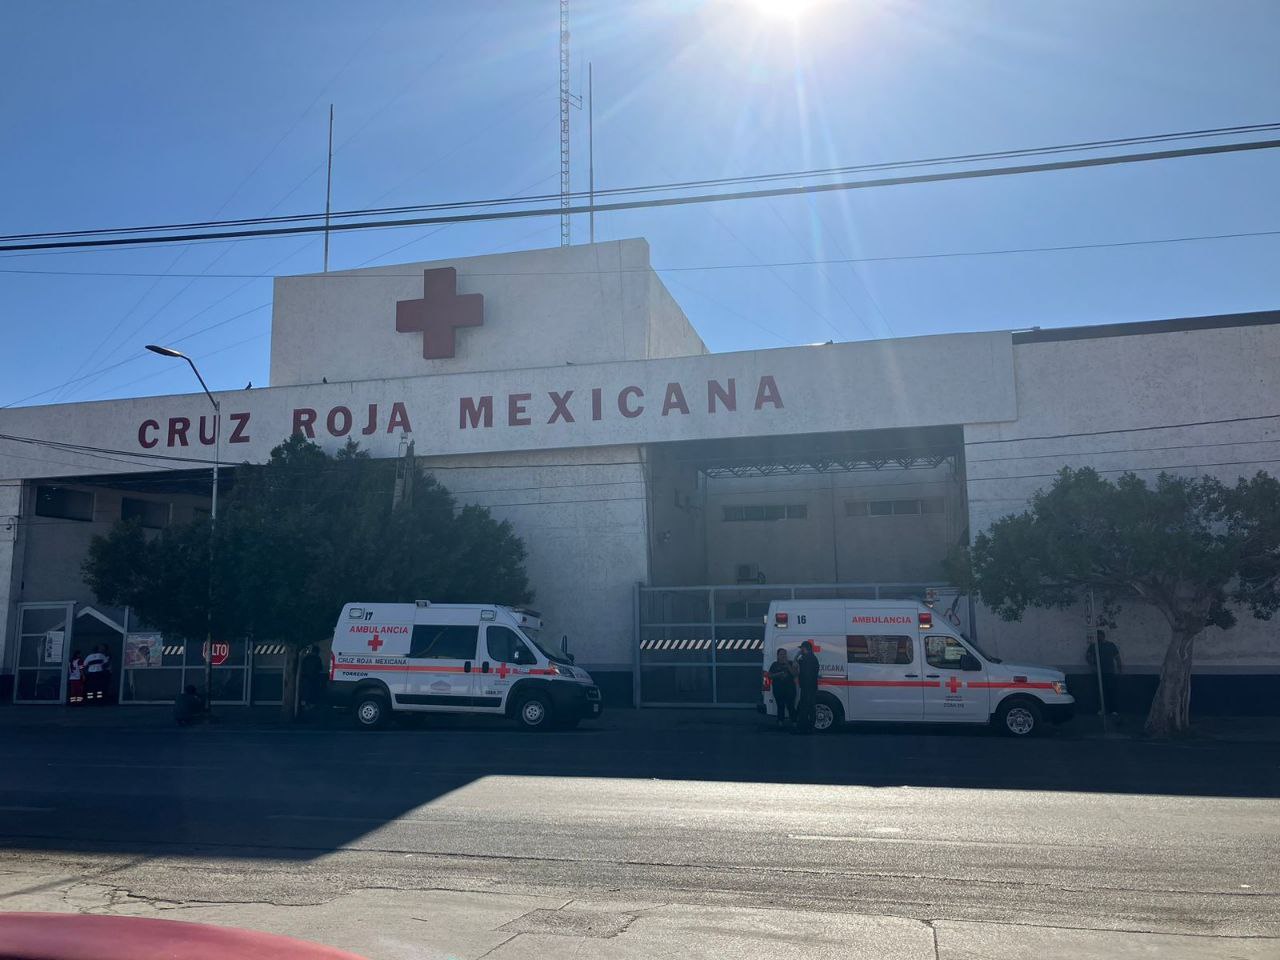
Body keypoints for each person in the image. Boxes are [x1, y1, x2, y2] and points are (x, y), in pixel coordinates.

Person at [1085, 630, 1123, 715]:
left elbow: (1117, 657)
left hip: (1109, 672)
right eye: (1097, 636)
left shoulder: (1110, 645)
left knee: (1111, 691)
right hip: (1099, 673)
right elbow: (1088, 656)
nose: (1098, 638)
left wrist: (1119, 668)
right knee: (1100, 692)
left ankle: (1113, 710)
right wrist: (1093, 666)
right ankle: (1102, 709)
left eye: (1099, 636)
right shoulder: (1094, 646)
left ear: (1103, 636)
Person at [767, 648, 797, 727]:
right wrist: (779, 674)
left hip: (790, 689)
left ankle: (794, 722)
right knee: (780, 706)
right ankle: (780, 722)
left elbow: (794, 674)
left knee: (791, 706)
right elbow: (769, 675)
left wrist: (788, 665)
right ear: (777, 656)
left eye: (784, 654)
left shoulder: (790, 663)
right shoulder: (774, 664)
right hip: (778, 689)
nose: (783, 656)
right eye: (781, 654)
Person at [795, 640, 820, 734]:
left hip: (807, 687)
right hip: (810, 687)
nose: (800, 650)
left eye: (801, 648)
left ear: (805, 648)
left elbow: (798, 666)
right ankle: (809, 728)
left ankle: (804, 729)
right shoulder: (812, 658)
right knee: (810, 707)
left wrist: (797, 655)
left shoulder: (807, 658)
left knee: (805, 708)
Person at [299, 645, 325, 712]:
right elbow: (320, 669)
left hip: (305, 678)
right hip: (314, 678)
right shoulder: (317, 658)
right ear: (317, 652)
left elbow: (302, 667)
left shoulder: (306, 658)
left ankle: (304, 706)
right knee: (313, 692)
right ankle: (310, 706)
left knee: (305, 692)